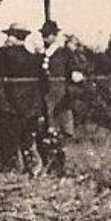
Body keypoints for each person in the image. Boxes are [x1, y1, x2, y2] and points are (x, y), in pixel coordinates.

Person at [0, 24, 45, 174]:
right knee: (27, 143)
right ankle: (33, 173)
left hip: (8, 108)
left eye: (9, 35)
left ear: (14, 37)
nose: (7, 38)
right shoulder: (34, 59)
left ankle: (9, 175)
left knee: (8, 146)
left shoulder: (3, 54)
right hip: (30, 109)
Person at [37, 20, 80, 174]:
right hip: (45, 99)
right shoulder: (41, 55)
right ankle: (49, 167)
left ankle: (61, 167)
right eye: (43, 35)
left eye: (48, 35)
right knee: (46, 134)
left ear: (55, 36)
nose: (45, 38)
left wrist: (75, 74)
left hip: (60, 99)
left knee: (63, 133)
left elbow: (75, 71)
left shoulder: (64, 53)